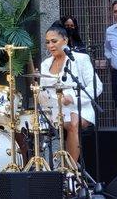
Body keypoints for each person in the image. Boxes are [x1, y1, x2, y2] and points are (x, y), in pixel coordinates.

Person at [39, 25, 103, 162]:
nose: (50, 45)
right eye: (47, 42)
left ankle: (70, 171)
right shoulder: (45, 64)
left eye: (54, 41)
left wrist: (72, 98)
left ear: (65, 41)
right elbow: (43, 91)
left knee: (73, 122)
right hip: (55, 110)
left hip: (78, 107)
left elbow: (97, 86)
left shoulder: (80, 59)